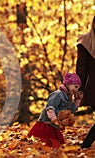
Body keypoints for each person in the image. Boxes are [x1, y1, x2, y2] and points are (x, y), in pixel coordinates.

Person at [28, 72, 81, 148]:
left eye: (78, 88)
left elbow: (72, 111)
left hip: (54, 126)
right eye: (75, 87)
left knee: (57, 145)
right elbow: (50, 107)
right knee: (46, 144)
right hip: (46, 124)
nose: (76, 90)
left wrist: (77, 100)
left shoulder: (69, 98)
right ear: (68, 84)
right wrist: (54, 118)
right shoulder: (58, 94)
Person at [76, 16, 95, 148]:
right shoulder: (86, 42)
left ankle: (85, 146)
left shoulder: (85, 41)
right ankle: (85, 146)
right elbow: (81, 69)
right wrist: (77, 89)